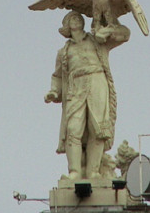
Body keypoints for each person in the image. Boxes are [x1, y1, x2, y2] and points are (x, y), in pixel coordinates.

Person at [44, 11, 130, 180]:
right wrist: (54, 91)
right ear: (67, 26)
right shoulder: (64, 51)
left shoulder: (97, 41)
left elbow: (125, 34)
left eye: (78, 17)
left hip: (97, 82)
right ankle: (74, 171)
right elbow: (58, 76)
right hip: (75, 87)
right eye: (71, 18)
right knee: (73, 129)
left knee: (98, 129)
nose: (76, 20)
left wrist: (107, 28)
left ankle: (93, 171)